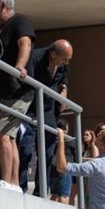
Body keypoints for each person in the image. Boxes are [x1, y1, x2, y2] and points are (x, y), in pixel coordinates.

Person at [0, 0, 35, 190]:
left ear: (3, 6)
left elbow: (25, 43)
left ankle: (7, 181)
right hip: (2, 93)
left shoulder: (19, 21)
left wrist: (20, 66)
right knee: (9, 136)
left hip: (18, 91)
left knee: (3, 133)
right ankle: (14, 182)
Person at [18, 39, 72, 193]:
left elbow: (64, 79)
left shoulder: (63, 64)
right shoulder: (35, 57)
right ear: (53, 53)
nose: (66, 63)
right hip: (30, 108)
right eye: (64, 59)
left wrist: (64, 90)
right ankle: (21, 186)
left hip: (48, 110)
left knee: (48, 151)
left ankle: (41, 189)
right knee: (26, 149)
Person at [50, 118, 73, 203]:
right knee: (64, 195)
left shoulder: (52, 140)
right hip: (64, 167)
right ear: (66, 128)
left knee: (54, 195)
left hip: (53, 166)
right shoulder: (68, 140)